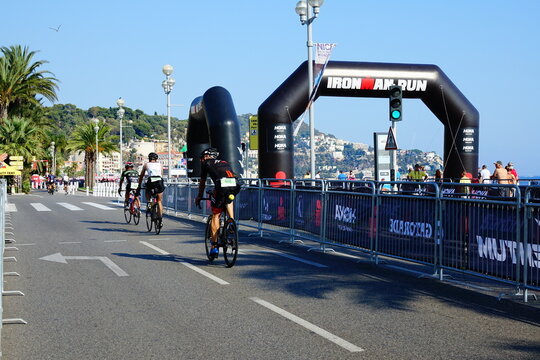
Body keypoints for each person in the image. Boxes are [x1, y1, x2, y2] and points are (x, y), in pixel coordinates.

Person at [195, 148, 241, 257]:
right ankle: (231, 223)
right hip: (235, 184)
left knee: (215, 215)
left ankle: (214, 246)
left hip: (221, 185)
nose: (201, 160)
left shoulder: (206, 163)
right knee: (228, 199)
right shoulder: (224, 162)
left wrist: (199, 196)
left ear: (206, 157)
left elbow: (202, 183)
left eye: (202, 158)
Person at [137, 152, 165, 221]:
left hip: (151, 181)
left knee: (147, 193)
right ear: (156, 159)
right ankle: (160, 218)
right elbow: (161, 174)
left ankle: (149, 204)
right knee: (159, 201)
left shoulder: (146, 165)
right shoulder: (160, 165)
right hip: (159, 181)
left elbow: (141, 176)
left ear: (149, 159)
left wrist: (139, 185)